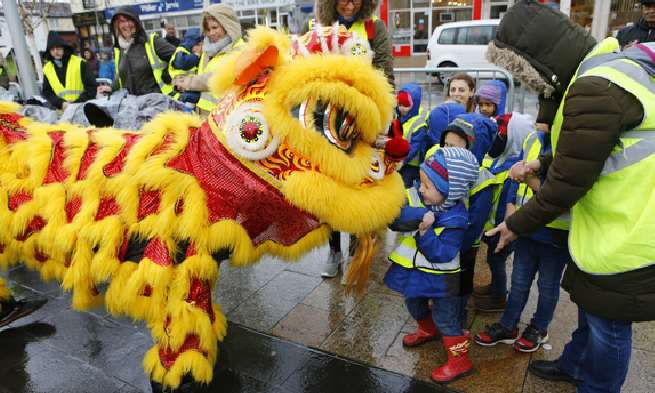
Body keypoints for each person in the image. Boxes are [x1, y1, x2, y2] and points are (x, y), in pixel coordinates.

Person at [485, 2, 654, 392]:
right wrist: (543, 165)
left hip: (628, 233)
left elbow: (567, 186)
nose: (531, 86)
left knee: (608, 325)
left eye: (526, 75)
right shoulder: (605, 65)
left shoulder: (593, 88)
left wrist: (514, 224)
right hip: (612, 221)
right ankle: (576, 364)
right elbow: (592, 151)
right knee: (591, 311)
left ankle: (597, 386)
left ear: (541, 60)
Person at [474, 120, 571, 353]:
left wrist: (526, 177)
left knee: (547, 286)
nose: (540, 119)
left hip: (555, 232)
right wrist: (510, 207)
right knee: (519, 281)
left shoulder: (570, 146)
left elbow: (559, 194)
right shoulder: (532, 138)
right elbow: (513, 178)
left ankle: (539, 327)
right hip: (526, 227)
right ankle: (509, 325)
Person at [385, 147, 479, 383]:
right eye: (422, 183)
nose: (421, 189)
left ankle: (460, 361)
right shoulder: (423, 200)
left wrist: (425, 232)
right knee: (413, 301)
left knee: (446, 318)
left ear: (450, 190)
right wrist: (419, 213)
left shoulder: (456, 220)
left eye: (428, 186)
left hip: (441, 280)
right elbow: (396, 217)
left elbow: (442, 253)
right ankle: (427, 329)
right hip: (416, 274)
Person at [473, 112, 534, 312]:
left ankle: (499, 298)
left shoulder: (517, 167)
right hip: (495, 225)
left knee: (497, 260)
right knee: (493, 259)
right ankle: (494, 289)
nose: (499, 137)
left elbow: (511, 200)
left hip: (505, 227)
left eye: (503, 134)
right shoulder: (502, 158)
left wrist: (506, 228)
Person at [174, 4, 244, 114]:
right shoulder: (208, 50)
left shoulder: (239, 49)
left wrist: (188, 83)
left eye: (215, 27)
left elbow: (216, 77)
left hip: (225, 117)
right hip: (205, 115)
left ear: (228, 25)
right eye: (207, 29)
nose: (211, 33)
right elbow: (202, 76)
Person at [97, 7, 176, 96]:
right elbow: (121, 75)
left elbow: (179, 55)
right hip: (135, 104)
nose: (126, 25)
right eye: (122, 21)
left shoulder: (151, 41)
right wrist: (111, 87)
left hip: (158, 101)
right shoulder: (119, 49)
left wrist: (167, 74)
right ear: (116, 25)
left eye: (129, 20)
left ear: (136, 22)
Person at [313, 0, 394, 86]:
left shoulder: (374, 26)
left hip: (363, 96)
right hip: (324, 96)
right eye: (344, 0)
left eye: (356, 0)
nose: (350, 7)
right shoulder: (315, 27)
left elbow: (385, 74)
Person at [42, 31, 97, 110]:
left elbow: (91, 88)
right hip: (62, 114)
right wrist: (61, 104)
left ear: (64, 47)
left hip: (83, 110)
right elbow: (47, 92)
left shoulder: (80, 63)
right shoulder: (47, 69)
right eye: (52, 49)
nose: (55, 52)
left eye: (58, 48)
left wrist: (75, 104)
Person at [397, 83, 428, 187]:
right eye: (400, 105)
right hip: (400, 160)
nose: (401, 108)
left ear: (414, 104)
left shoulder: (419, 124)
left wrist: (402, 161)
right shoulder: (401, 117)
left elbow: (414, 147)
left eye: (405, 105)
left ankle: (412, 203)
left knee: (407, 189)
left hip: (411, 166)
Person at [169, 28, 203, 104]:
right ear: (192, 43)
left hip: (188, 87)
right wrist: (196, 55)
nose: (201, 47)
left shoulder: (190, 51)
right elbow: (182, 63)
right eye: (199, 44)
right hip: (183, 91)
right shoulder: (181, 50)